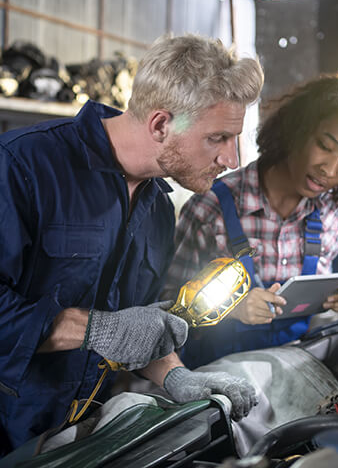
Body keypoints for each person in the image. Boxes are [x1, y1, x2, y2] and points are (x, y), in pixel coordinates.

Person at [0, 33, 264, 455]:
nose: (232, 160)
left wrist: (176, 375)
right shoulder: (21, 167)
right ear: (161, 124)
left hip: (74, 437)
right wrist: (93, 328)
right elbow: (105, 330)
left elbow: (131, 331)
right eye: (217, 138)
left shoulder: (158, 209)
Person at [167, 72, 338, 369]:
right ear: (298, 129)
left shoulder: (334, 212)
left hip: (294, 374)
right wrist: (230, 309)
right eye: (325, 146)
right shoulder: (210, 208)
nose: (331, 170)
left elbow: (316, 300)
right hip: (214, 378)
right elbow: (168, 309)